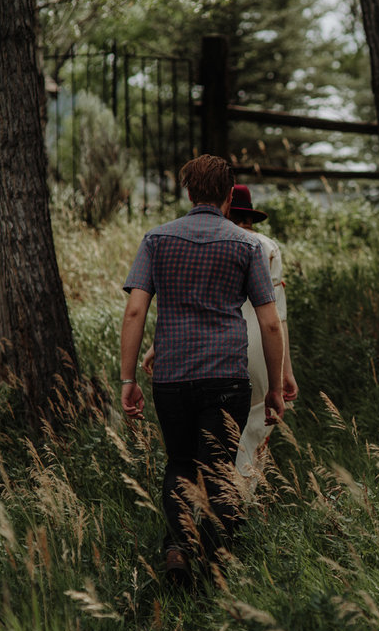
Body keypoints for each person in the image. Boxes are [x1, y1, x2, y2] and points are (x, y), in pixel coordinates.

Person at [119, 155, 296, 588]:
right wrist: (275, 386)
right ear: (226, 193)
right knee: (219, 466)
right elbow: (271, 322)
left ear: (188, 191)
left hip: (172, 377)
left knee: (179, 462)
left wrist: (128, 379)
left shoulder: (157, 239)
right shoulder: (247, 245)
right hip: (226, 376)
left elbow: (135, 310)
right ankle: (218, 561)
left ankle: (178, 546)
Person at [141, 184, 296, 479]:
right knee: (252, 426)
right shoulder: (266, 246)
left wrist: (155, 346)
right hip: (260, 350)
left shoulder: (205, 241)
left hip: (211, 350)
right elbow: (277, 317)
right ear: (248, 216)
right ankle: (236, 498)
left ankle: (203, 502)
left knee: (206, 437)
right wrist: (285, 372)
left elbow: (187, 304)